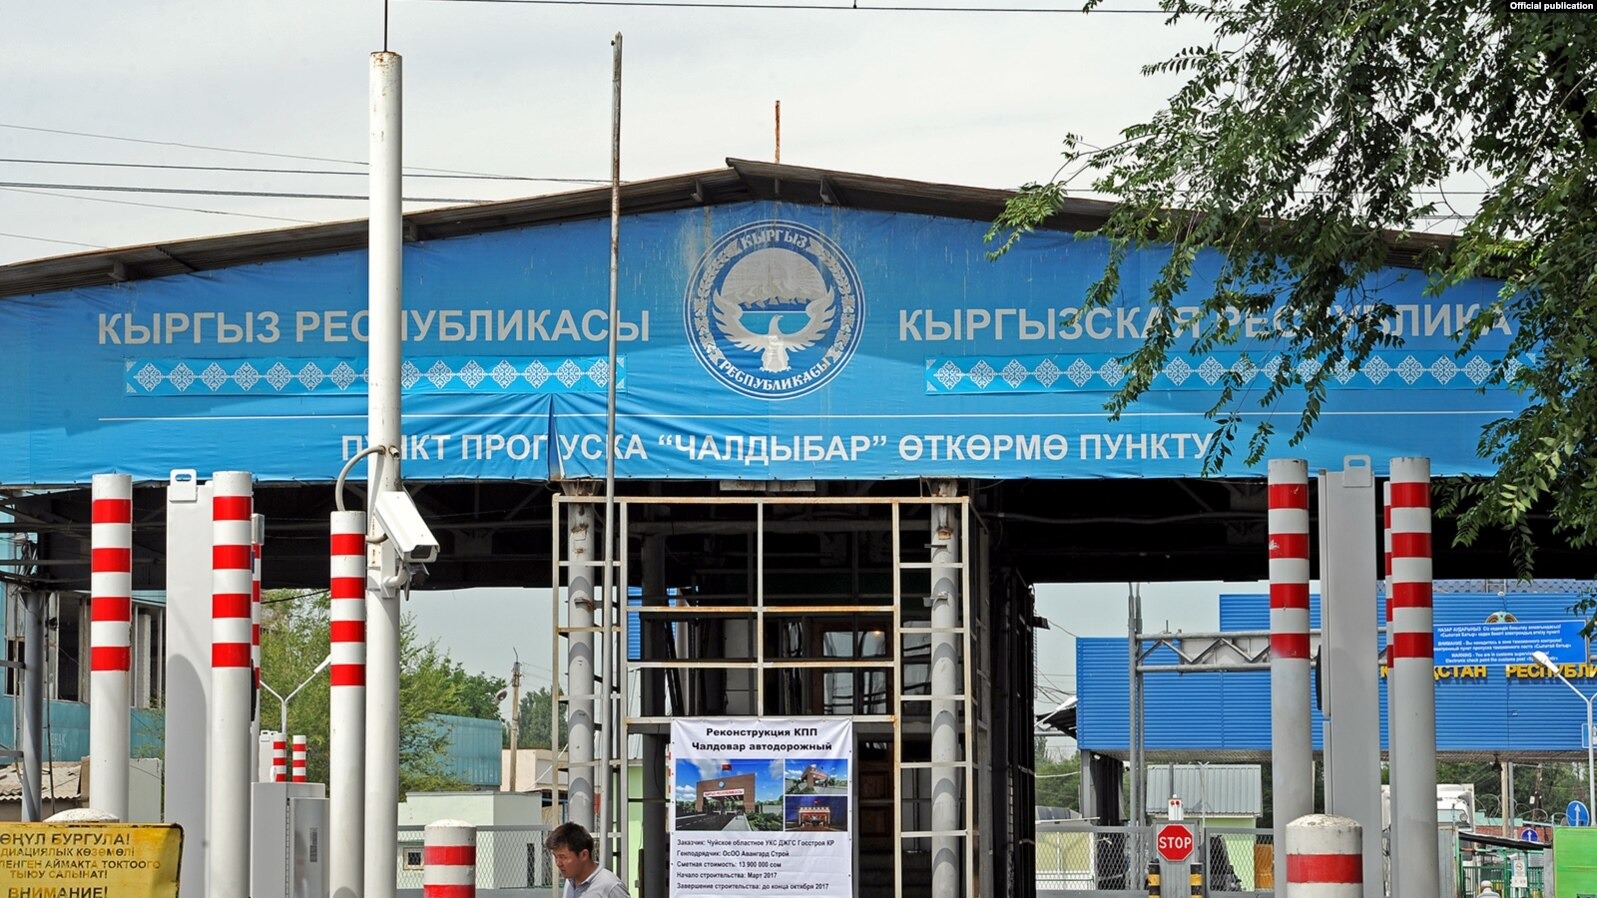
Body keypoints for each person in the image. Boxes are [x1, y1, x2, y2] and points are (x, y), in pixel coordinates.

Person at [546, 821, 629, 898]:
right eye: (555, 856)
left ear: (584, 855)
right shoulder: (570, 882)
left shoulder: (610, 887)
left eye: (563, 857)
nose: (558, 863)